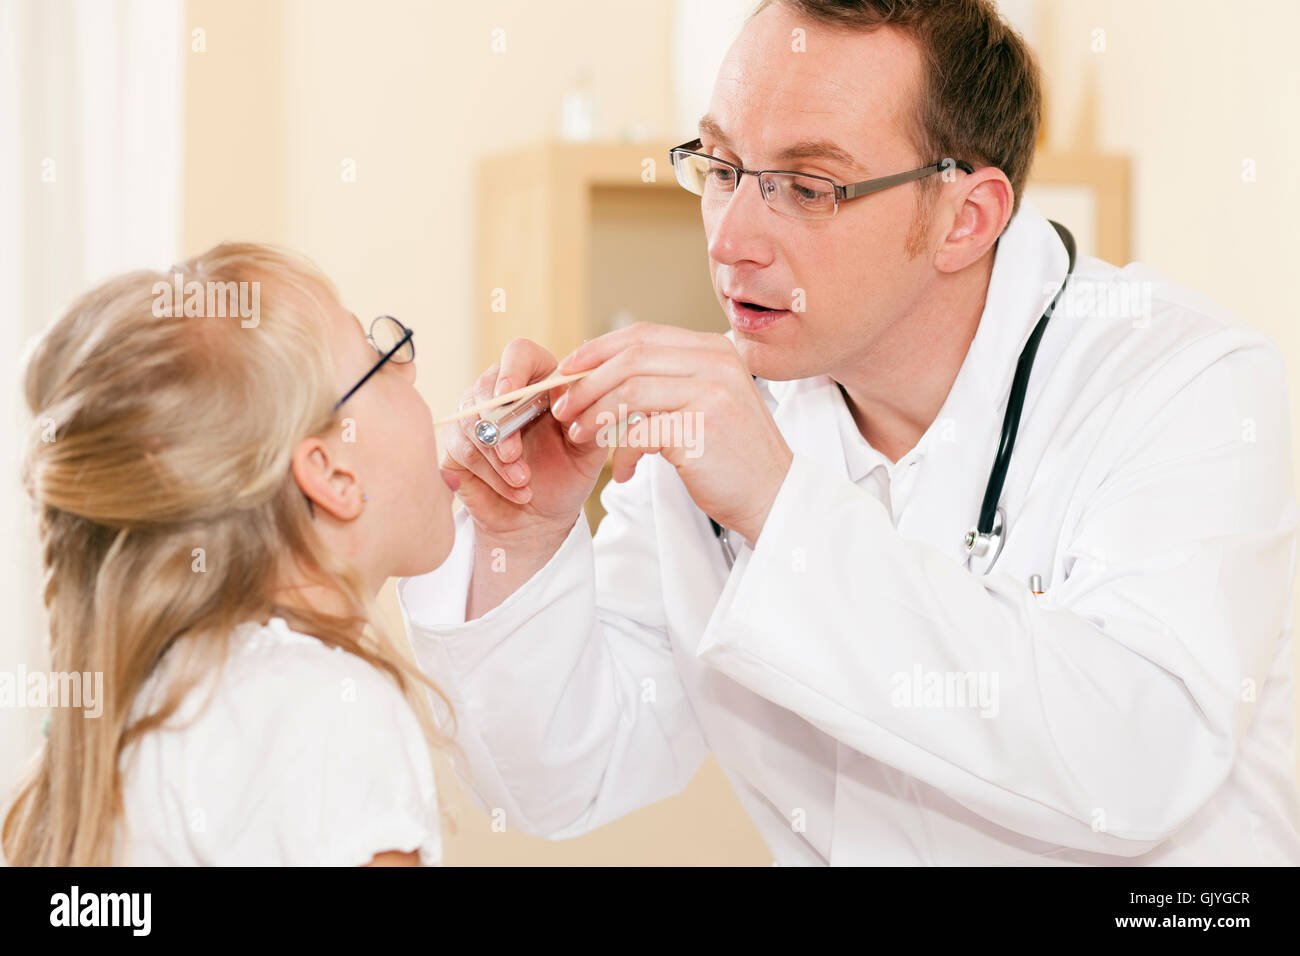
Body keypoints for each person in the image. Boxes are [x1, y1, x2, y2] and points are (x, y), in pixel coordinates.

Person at [400, 0, 1300, 864]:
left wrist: (778, 506)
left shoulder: (1188, 387)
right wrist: (526, 542)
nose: (730, 241)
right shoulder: (730, 418)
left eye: (807, 185)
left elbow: (1141, 758)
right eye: (720, 168)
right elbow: (571, 778)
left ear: (966, 218)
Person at [3, 243, 458, 866]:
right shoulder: (330, 717)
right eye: (378, 361)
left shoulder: (144, 707)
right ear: (333, 476)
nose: (406, 368)